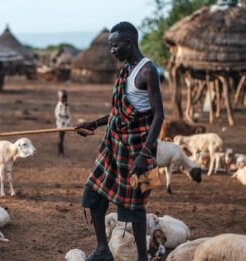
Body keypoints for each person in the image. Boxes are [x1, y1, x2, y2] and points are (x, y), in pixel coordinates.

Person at [75, 21, 164, 261]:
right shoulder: (125, 69)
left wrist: (145, 156)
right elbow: (119, 112)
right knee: (93, 193)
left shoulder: (148, 71)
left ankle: (142, 259)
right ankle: (103, 250)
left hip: (139, 149)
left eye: (115, 46)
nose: (111, 51)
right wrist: (94, 123)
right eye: (109, 46)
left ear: (129, 43)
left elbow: (159, 115)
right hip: (114, 145)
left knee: (135, 207)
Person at [55, 90, 71, 155]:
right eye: (63, 98)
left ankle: (61, 151)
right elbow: (59, 115)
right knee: (61, 138)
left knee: (62, 138)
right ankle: (60, 151)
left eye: (65, 98)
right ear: (59, 98)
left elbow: (68, 115)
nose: (64, 99)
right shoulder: (60, 106)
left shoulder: (65, 105)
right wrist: (64, 110)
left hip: (64, 124)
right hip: (61, 125)